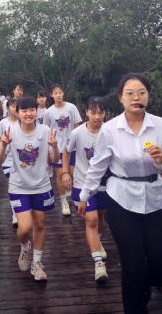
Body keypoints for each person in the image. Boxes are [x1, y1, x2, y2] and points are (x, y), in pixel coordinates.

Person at [77, 73, 162, 314]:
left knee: (161, 260)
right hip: (121, 199)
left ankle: (144, 287)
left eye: (142, 93)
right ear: (120, 98)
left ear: (149, 96)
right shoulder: (110, 130)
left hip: (155, 197)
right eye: (130, 93)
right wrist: (84, 196)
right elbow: (98, 165)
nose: (136, 97)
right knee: (133, 264)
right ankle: (135, 307)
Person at [0, 96, 59, 282]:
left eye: (32, 110)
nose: (29, 114)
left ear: (37, 111)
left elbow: (54, 160)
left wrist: (54, 146)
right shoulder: (10, 130)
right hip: (18, 186)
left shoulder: (45, 131)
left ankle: (37, 263)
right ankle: (24, 248)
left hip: (41, 185)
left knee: (39, 225)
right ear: (18, 113)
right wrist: (3, 145)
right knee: (25, 228)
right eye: (24, 110)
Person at [62, 97, 109, 285]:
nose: (97, 116)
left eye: (101, 112)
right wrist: (65, 172)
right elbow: (66, 151)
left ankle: (97, 242)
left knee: (101, 218)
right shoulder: (77, 133)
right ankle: (98, 263)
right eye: (93, 112)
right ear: (86, 113)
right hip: (82, 183)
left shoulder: (110, 131)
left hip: (105, 184)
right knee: (92, 220)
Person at [43, 84, 82, 216]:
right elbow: (45, 130)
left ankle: (74, 195)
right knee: (60, 175)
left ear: (63, 94)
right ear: (51, 95)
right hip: (57, 148)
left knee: (72, 173)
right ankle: (64, 201)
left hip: (72, 147)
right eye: (56, 93)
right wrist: (48, 150)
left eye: (60, 92)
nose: (58, 95)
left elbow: (77, 126)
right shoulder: (48, 112)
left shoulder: (72, 108)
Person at [0, 98, 19, 227]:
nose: (15, 108)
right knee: (13, 183)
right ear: (8, 108)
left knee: (20, 185)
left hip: (21, 158)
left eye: (17, 106)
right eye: (13, 106)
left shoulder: (23, 121)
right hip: (8, 158)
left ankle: (20, 210)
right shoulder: (3, 123)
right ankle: (15, 212)